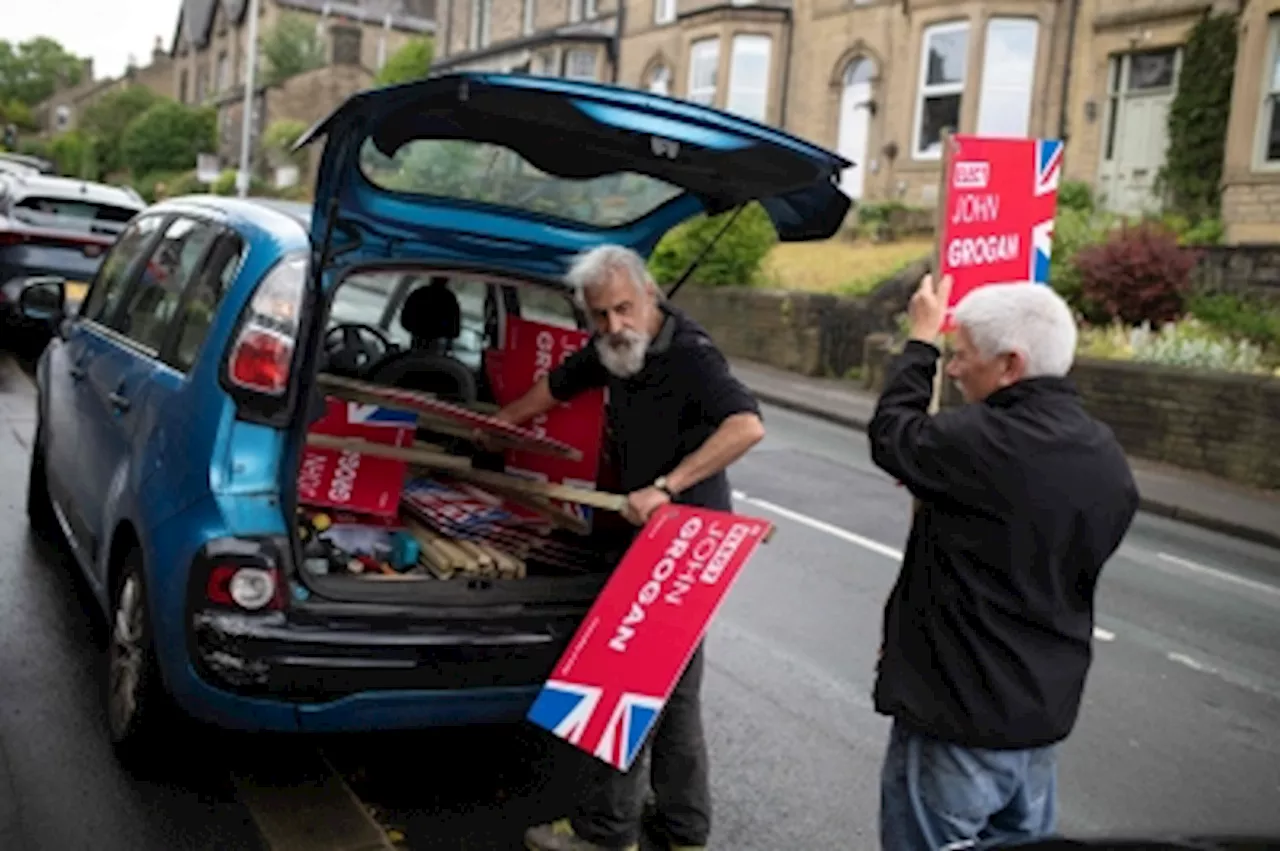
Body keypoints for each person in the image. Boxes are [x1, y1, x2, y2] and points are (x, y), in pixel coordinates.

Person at [494, 244, 766, 851]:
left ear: (651, 295)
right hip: (653, 538)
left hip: (688, 541)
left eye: (623, 309)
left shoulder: (691, 355)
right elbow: (554, 388)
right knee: (674, 693)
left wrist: (666, 486)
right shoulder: (613, 350)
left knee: (628, 684)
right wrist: (489, 431)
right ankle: (683, 829)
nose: (614, 326)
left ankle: (603, 832)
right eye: (599, 315)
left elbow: (746, 425)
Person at [867, 274, 1139, 851]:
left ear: (1011, 364)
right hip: (1039, 724)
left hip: (957, 718)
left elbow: (892, 434)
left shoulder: (975, 442)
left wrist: (919, 342)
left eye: (961, 355)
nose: (955, 369)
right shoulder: (1106, 457)